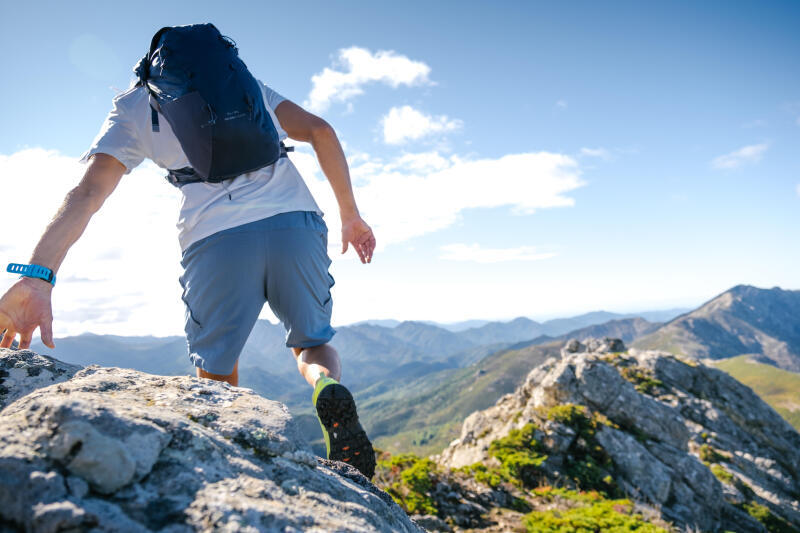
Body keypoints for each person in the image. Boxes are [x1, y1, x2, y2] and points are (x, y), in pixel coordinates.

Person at [0, 24, 377, 478]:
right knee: (312, 343)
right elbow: (320, 129)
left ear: (151, 66)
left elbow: (87, 194)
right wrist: (351, 216)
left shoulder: (136, 104)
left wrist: (36, 276)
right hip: (294, 220)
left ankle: (235, 461)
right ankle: (324, 386)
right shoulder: (242, 85)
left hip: (213, 237)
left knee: (217, 368)